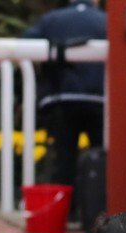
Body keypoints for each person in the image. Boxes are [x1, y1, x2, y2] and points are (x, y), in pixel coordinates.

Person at [23, 0, 106, 191]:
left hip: (62, 97)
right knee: (101, 156)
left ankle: (66, 210)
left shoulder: (51, 19)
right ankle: (97, 206)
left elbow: (26, 42)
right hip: (100, 100)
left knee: (64, 157)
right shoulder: (106, 21)